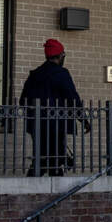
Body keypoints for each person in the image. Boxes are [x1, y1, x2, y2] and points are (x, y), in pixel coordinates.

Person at [20, 38, 84, 175]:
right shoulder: (61, 74)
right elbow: (72, 98)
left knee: (41, 159)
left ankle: (33, 189)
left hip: (37, 125)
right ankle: (51, 189)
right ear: (60, 56)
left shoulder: (34, 75)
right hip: (56, 125)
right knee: (54, 160)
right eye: (63, 55)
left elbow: (23, 100)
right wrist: (83, 119)